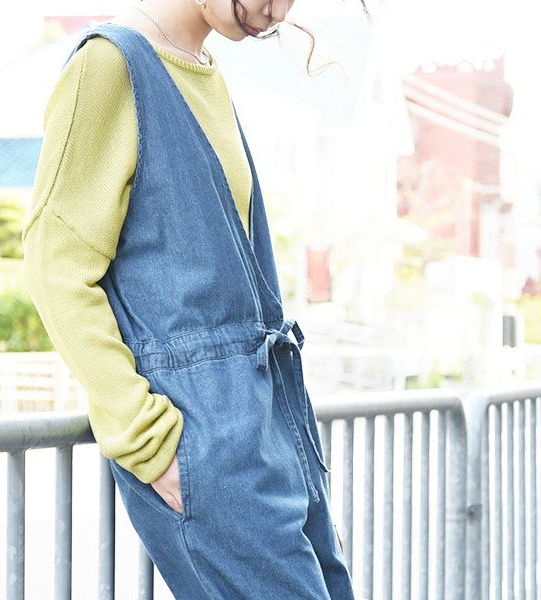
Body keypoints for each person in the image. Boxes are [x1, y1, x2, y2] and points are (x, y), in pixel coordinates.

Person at [22, 0, 355, 597]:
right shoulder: (110, 65)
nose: (277, 11)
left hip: (269, 423)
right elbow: (57, 266)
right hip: (201, 436)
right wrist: (149, 441)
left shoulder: (202, 69)